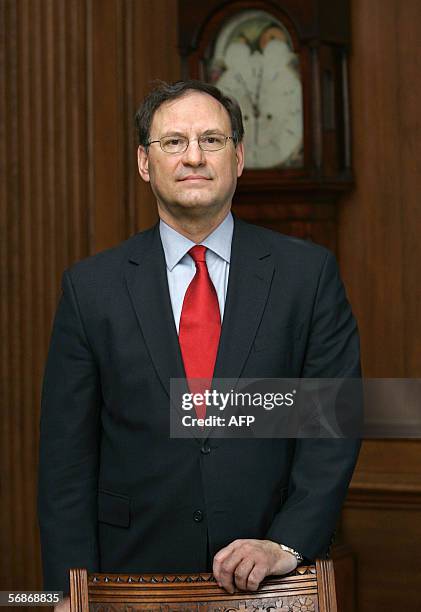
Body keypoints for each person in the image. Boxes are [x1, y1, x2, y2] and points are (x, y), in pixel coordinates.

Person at [38, 80, 361, 610]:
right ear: (145, 162)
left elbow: (334, 425)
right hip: (130, 578)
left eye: (212, 140)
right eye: (174, 142)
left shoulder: (307, 276)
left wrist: (285, 541)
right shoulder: (89, 288)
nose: (194, 156)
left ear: (238, 157)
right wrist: (67, 590)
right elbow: (65, 462)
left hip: (272, 581)